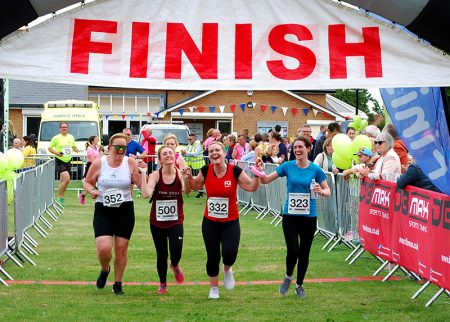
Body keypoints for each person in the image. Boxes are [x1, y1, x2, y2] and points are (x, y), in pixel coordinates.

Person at [255, 137, 331, 298]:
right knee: (293, 249)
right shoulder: (287, 166)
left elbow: (327, 190)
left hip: (309, 216)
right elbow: (266, 180)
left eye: (300, 147)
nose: (297, 150)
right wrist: (260, 170)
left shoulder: (315, 169)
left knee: (304, 252)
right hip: (290, 215)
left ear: (308, 148)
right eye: (295, 147)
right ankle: (289, 276)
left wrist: (321, 191)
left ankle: (300, 285)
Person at [186, 141, 260, 299]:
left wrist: (258, 175)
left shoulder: (235, 171)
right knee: (212, 256)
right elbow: (196, 186)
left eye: (217, 150)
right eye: (211, 150)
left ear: (224, 152)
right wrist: (187, 177)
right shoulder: (206, 170)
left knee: (230, 253)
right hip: (210, 222)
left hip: (230, 222)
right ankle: (214, 289)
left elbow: (252, 187)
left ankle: (227, 269)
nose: (214, 153)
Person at [82, 133, 144, 295]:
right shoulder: (99, 163)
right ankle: (105, 269)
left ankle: (118, 283)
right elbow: (86, 181)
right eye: (118, 146)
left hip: (125, 209)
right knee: (104, 248)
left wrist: (142, 171)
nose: (121, 150)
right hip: (103, 209)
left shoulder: (130, 162)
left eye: (124, 147)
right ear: (110, 147)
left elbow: (140, 183)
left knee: (121, 248)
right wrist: (92, 190)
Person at [139, 146, 191, 294]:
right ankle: (163, 283)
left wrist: (186, 179)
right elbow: (146, 194)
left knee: (176, 250)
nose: (168, 155)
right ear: (160, 159)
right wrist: (143, 174)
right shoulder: (155, 175)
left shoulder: (180, 174)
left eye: (170, 153)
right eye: (165, 154)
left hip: (176, 220)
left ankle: (175, 265)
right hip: (157, 222)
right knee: (161, 254)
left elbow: (187, 191)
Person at [48, 122, 80, 205]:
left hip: (68, 160)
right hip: (59, 160)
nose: (64, 128)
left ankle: (59, 198)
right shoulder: (56, 138)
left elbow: (73, 146)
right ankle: (60, 197)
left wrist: (76, 149)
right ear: (60, 129)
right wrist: (57, 153)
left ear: (67, 128)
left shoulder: (71, 137)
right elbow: (50, 148)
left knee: (63, 180)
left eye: (65, 127)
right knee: (67, 179)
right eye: (62, 127)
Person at [79, 136, 103, 205]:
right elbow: (93, 160)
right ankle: (90, 194)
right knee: (90, 182)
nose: (98, 140)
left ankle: (84, 194)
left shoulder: (97, 148)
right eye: (96, 139)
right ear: (92, 141)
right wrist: (100, 155)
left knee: (93, 183)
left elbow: (99, 157)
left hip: (97, 165)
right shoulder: (89, 149)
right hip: (91, 166)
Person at [181, 133, 205, 198]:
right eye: (188, 139)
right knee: (190, 179)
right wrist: (183, 153)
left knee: (200, 180)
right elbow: (185, 153)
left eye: (190, 139)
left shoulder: (198, 144)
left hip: (199, 165)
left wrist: (186, 153)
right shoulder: (189, 145)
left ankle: (201, 193)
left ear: (194, 139)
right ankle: (190, 190)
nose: (188, 140)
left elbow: (196, 154)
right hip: (191, 165)